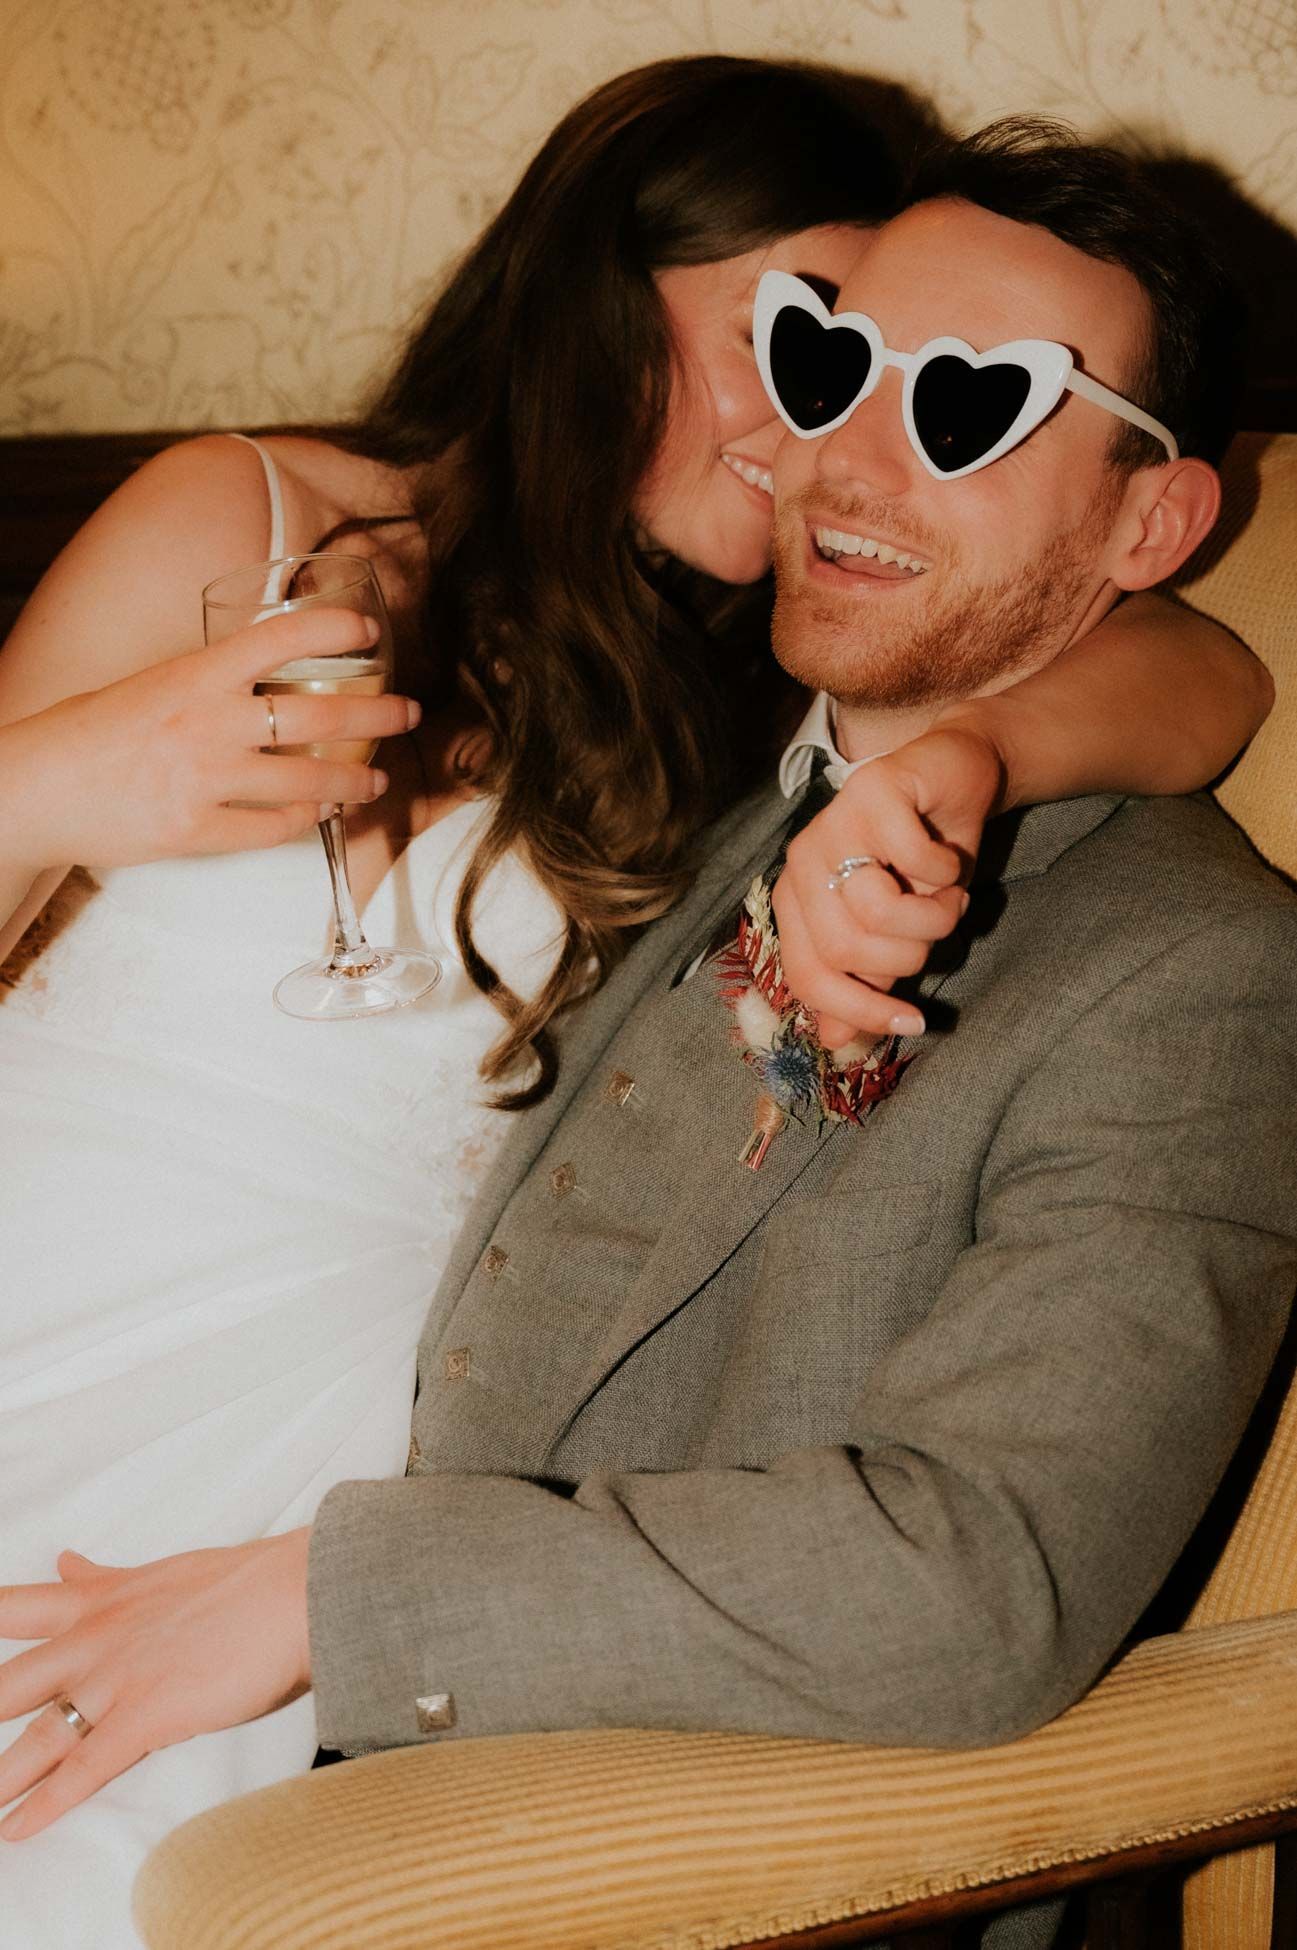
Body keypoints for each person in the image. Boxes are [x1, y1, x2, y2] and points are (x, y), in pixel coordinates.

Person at [0, 73, 1277, 1947]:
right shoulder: (731, 760)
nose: (816, 441)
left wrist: (969, 757)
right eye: (811, 348)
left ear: (1151, 511)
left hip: (316, 1511)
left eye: (966, 399)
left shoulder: (849, 803)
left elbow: (1198, 668)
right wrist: (58, 781)